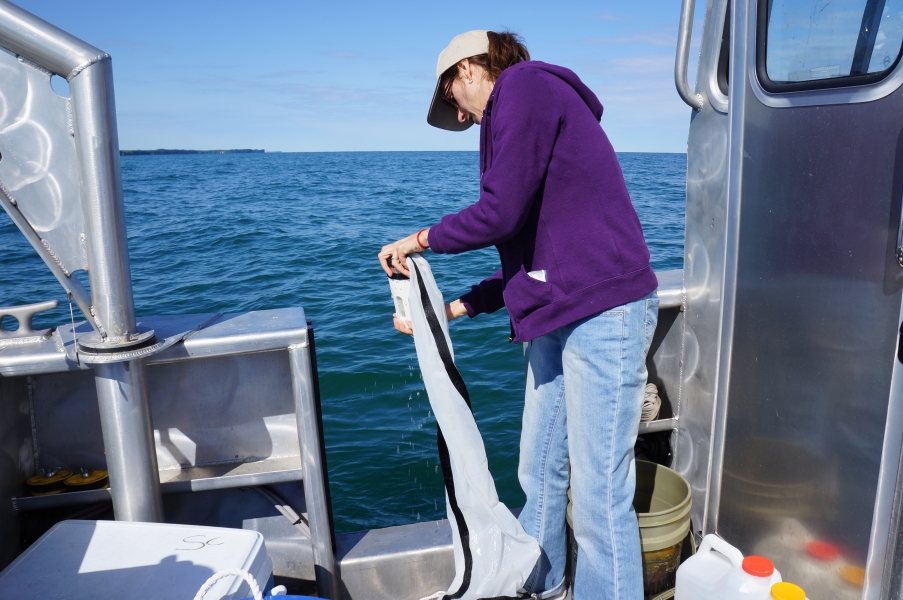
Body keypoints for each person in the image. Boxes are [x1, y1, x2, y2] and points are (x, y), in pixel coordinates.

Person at [378, 30, 658, 600]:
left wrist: (419, 240)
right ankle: (542, 586)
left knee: (601, 496)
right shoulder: (524, 112)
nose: (462, 115)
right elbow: (533, 265)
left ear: (472, 69)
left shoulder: (525, 86)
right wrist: (449, 309)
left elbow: (498, 214)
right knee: (538, 471)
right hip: (560, 311)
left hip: (605, 314)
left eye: (454, 98)